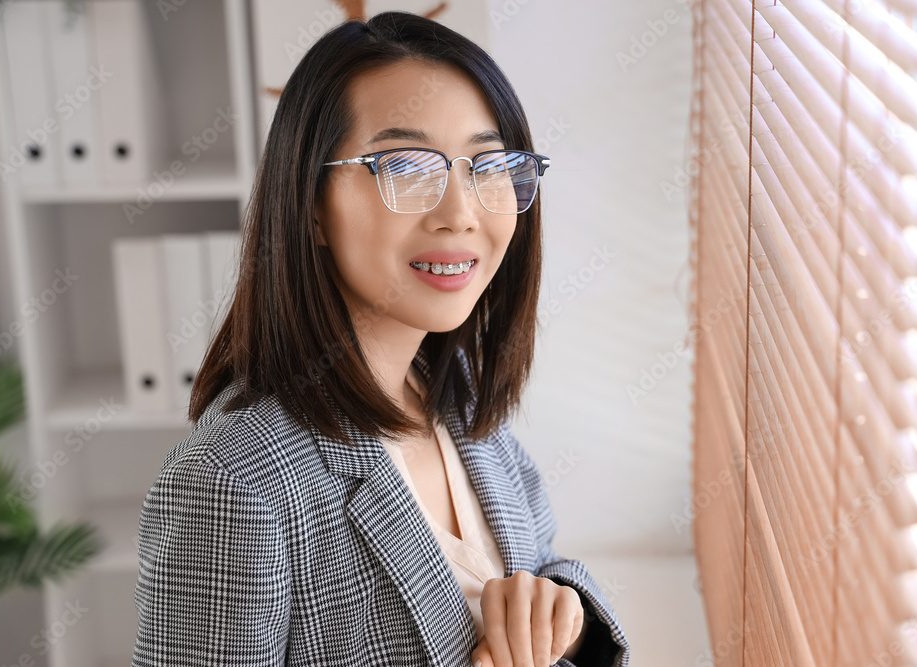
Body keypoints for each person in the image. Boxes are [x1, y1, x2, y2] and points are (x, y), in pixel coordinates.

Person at [131, 10, 629, 667]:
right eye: (406, 167)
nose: (459, 213)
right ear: (311, 204)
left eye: (487, 166)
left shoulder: (456, 397)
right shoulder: (235, 481)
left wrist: (566, 617)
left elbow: (535, 565)